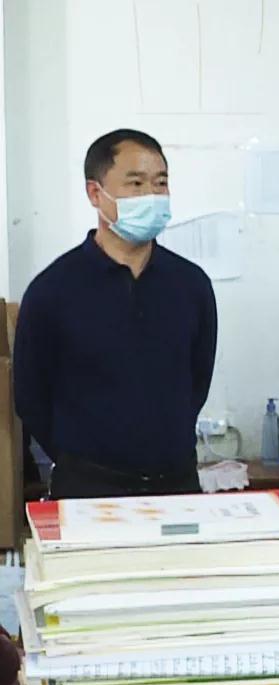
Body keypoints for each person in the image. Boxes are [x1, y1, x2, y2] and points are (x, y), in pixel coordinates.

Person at [14, 129, 217, 500]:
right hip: (88, 489)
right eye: (136, 184)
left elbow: (197, 380)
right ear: (96, 193)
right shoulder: (52, 290)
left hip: (177, 486)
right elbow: (30, 395)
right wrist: (78, 458)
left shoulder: (191, 285)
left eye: (160, 183)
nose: (151, 195)